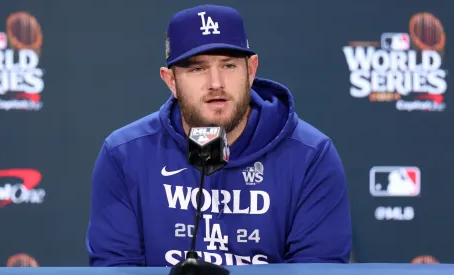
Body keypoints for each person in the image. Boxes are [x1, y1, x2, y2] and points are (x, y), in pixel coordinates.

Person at [86, 4, 352, 267]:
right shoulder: (124, 155)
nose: (216, 83)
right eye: (197, 69)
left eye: (228, 66)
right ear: (170, 81)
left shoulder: (311, 156)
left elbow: (317, 268)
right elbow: (116, 267)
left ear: (250, 70)